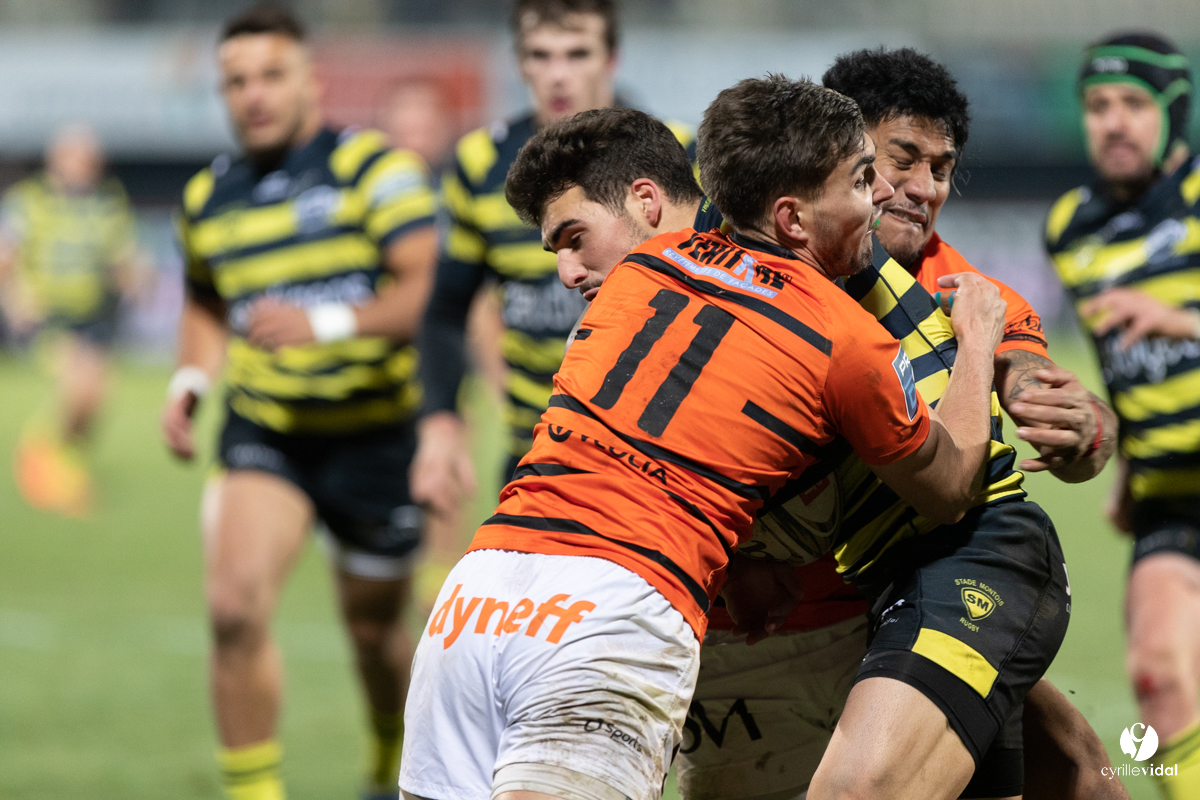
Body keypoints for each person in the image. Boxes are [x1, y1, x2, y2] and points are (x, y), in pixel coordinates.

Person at [400, 82, 1007, 800]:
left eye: (573, 239)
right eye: (860, 179)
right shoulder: (843, 333)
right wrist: (980, 339)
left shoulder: (629, 286)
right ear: (792, 214)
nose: (877, 197)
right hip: (620, 603)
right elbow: (949, 485)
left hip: (476, 596)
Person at [679, 48, 1121, 800]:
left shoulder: (967, 293)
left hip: (916, 583)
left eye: (942, 169)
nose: (923, 190)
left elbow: (1033, 384)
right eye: (901, 161)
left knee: (1070, 758)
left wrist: (1084, 428)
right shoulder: (760, 252)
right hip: (793, 620)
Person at [159, 6, 437, 800]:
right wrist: (190, 380)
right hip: (267, 432)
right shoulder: (208, 195)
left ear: (312, 80)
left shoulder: (374, 170)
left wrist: (323, 322)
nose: (254, 94)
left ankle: (388, 765)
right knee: (233, 607)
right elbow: (206, 302)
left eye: (271, 74)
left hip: (376, 433)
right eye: (236, 81)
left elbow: (420, 290)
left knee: (376, 632)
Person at [411, 0, 698, 522]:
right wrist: (440, 423)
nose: (558, 75)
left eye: (577, 53)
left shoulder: (678, 153)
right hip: (536, 451)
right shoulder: (478, 165)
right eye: (541, 56)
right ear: (520, 63)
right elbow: (445, 312)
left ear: (611, 58)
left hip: (658, 453)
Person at [1045, 31, 1200, 799]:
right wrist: (1131, 461)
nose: (1113, 122)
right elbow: (1117, 364)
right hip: (1170, 494)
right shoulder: (1073, 227)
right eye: (1097, 105)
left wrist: (1184, 319)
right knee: (1158, 676)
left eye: (1134, 104)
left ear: (1176, 111)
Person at [0, 123, 143, 516]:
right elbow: (6, 258)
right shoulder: (28, 201)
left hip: (93, 316)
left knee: (98, 395)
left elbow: (122, 256)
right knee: (78, 385)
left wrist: (134, 277)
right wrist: (17, 301)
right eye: (79, 158)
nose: (87, 166)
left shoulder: (107, 203)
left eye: (92, 160)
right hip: (47, 317)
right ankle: (42, 457)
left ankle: (57, 460)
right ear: (56, 160)